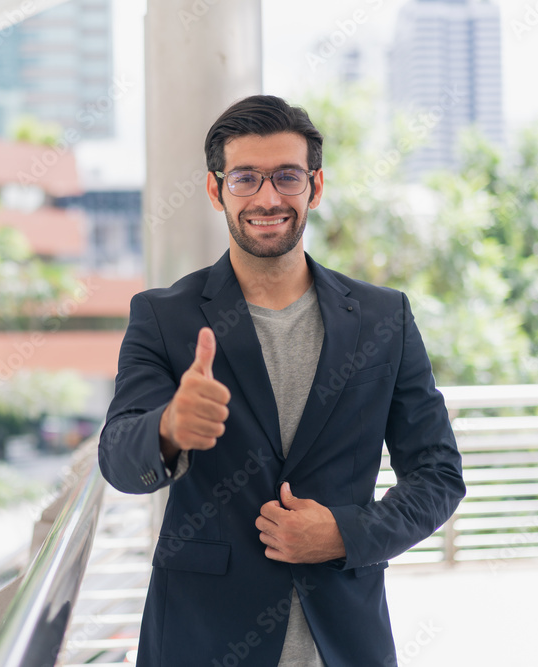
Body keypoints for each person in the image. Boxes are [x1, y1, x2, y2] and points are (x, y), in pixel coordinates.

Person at [97, 95, 466, 666]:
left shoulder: (382, 316)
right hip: (202, 638)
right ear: (217, 190)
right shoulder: (163, 316)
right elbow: (120, 460)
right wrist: (168, 428)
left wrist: (346, 533)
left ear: (314, 188)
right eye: (245, 178)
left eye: (286, 177)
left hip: (343, 639)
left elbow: (439, 476)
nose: (268, 198)